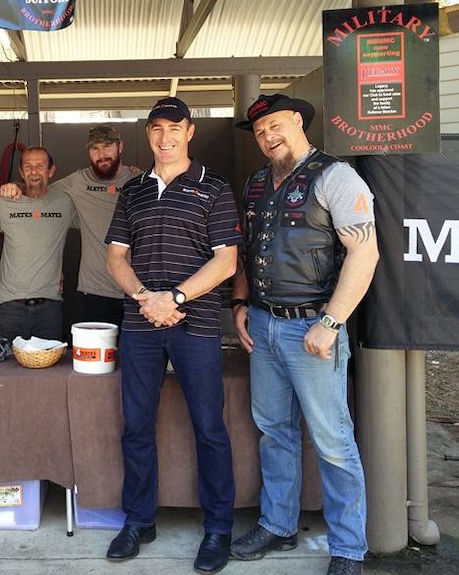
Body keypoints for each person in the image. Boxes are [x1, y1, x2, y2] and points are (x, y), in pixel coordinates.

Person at [229, 93, 379, 575]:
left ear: (297, 121)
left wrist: (331, 323)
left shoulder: (335, 176)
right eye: (259, 131)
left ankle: (349, 548)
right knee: (275, 433)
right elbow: (248, 253)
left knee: (333, 441)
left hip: (313, 329)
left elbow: (365, 254)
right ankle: (278, 524)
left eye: (275, 125)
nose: (267, 136)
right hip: (264, 325)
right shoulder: (255, 184)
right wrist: (239, 304)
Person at [104, 97, 240, 574]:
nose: (165, 137)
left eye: (174, 128)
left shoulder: (215, 188)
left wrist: (175, 299)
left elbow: (226, 262)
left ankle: (219, 527)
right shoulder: (133, 190)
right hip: (141, 324)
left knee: (209, 428)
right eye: (157, 128)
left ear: (190, 132)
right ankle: (139, 521)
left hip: (195, 325)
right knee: (136, 427)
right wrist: (147, 297)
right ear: (148, 134)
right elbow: (116, 257)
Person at [0, 124, 138, 327]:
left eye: (107, 147)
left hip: (136, 290)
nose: (101, 154)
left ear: (120, 147)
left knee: (133, 358)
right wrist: (15, 187)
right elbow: (38, 188)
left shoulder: (140, 180)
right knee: (94, 358)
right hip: (94, 292)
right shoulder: (77, 182)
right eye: (94, 148)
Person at [0, 146, 77, 341]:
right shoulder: (4, 201)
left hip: (49, 306)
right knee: (5, 368)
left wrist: (129, 174)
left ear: (51, 171)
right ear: (21, 172)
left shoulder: (66, 202)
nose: (33, 172)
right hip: (9, 305)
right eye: (28, 166)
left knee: (48, 367)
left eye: (40, 166)